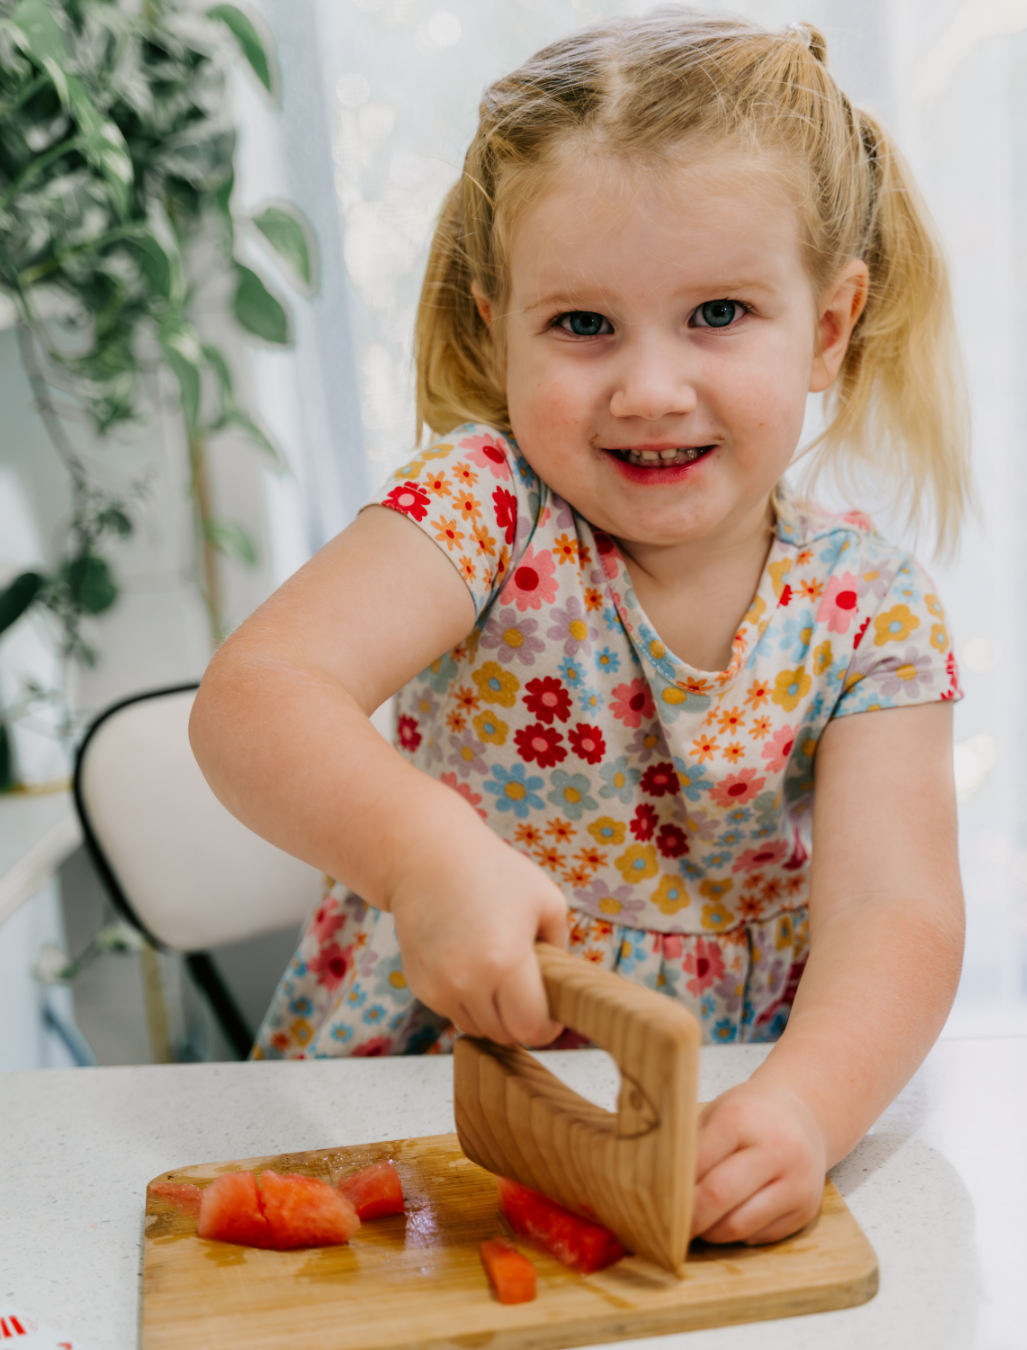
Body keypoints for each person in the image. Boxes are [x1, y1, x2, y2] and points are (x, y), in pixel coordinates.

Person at [190, 11, 969, 1247]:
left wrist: (809, 1112)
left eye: (718, 312)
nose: (650, 388)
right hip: (417, 1095)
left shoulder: (872, 608)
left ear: (828, 327)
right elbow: (257, 693)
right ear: (500, 326)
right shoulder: (482, 507)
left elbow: (898, 912)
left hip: (720, 1107)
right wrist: (423, 856)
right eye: (583, 326)